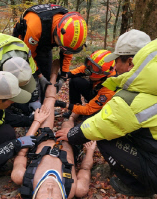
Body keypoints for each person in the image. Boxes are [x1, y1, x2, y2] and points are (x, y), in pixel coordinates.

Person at [56, 29, 157, 197]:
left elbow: (101, 126)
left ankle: (137, 187)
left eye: (117, 61)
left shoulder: (131, 99)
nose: (115, 67)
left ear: (130, 62)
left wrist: (71, 134)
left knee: (104, 138)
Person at [11, 60, 96, 199]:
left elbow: (22, 154)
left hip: (43, 138)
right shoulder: (76, 189)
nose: (50, 189)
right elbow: (85, 169)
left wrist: (36, 122)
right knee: (69, 123)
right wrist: (90, 152)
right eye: (55, 195)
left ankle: (53, 75)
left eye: (45, 194)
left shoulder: (21, 177)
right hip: (68, 143)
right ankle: (77, 113)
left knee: (49, 101)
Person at [12, 4, 87, 101]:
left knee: (46, 76)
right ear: (57, 32)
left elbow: (67, 53)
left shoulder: (69, 28)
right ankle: (24, 107)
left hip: (44, 44)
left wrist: (63, 76)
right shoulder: (36, 27)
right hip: (23, 45)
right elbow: (28, 55)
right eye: (61, 45)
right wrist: (39, 75)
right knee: (27, 78)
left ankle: (44, 105)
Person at [54, 50, 117, 119]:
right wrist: (63, 75)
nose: (88, 69)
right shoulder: (93, 67)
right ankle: (75, 107)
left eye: (93, 68)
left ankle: (79, 112)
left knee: (87, 118)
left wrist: (63, 104)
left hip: (101, 104)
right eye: (89, 64)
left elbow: (88, 109)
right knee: (75, 81)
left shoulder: (110, 88)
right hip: (93, 90)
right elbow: (79, 70)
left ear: (103, 73)